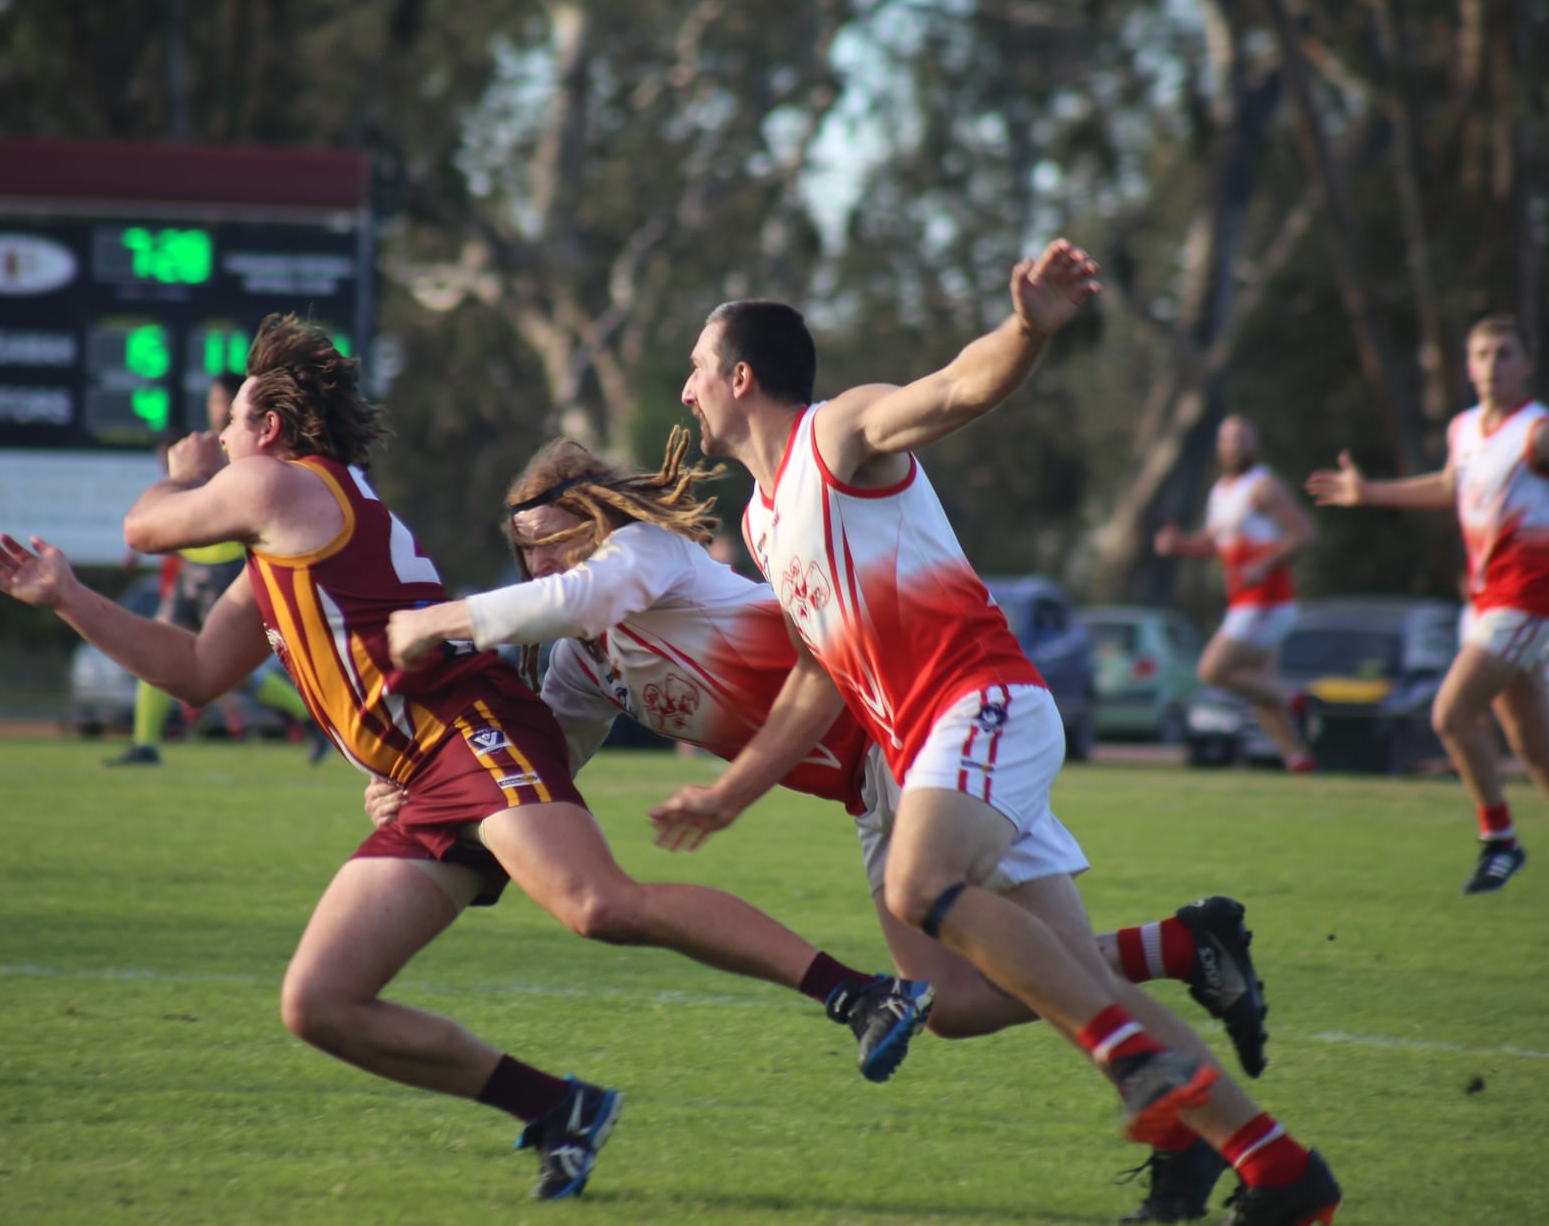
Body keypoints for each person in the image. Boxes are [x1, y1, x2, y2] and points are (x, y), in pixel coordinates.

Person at [0, 314, 930, 1204]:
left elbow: (147, 526)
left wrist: (180, 474)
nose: (215, 441)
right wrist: (66, 596)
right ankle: (555, 1107)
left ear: (266, 428)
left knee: (596, 904)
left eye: (228, 426)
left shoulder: (277, 481)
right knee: (321, 1001)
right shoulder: (281, 541)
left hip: (467, 732)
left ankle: (857, 991)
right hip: (430, 776)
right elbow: (189, 670)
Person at [381, 429, 1278, 1222]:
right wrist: (419, 793)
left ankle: (1207, 1119)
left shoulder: (645, 556)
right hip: (880, 781)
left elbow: (574, 597)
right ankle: (1183, 965)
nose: (542, 566)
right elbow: (543, 773)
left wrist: (441, 619)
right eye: (524, 553)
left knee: (979, 992)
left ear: (596, 519)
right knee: (968, 1003)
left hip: (910, 741)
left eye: (553, 541)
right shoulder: (582, 667)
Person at [673, 242, 1339, 1225]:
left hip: (981, 704)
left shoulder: (838, 432)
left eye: (695, 367)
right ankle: (1276, 1167)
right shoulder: (768, 523)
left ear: (740, 376)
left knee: (917, 882)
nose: (683, 389)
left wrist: (1028, 326)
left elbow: (952, 389)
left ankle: (1139, 1065)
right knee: (976, 996)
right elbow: (819, 676)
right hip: (931, 750)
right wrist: (728, 794)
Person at [1307, 314, 1549, 898]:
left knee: (1450, 715)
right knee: (1534, 743)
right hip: (1487, 603)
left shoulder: (1542, 433)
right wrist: (1371, 492)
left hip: (1526, 604)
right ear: (1467, 366)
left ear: (1527, 363)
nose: (1492, 365)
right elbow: (1447, 487)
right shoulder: (1465, 428)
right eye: (1482, 354)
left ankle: (1500, 842)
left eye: (1505, 353)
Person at [110, 375, 322, 766]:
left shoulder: (247, 454)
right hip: (194, 566)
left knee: (224, 671)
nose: (218, 408)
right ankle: (146, 743)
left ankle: (310, 716)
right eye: (215, 400)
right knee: (164, 645)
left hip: (225, 570)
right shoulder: (212, 445)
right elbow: (176, 511)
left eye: (227, 401)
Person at [1155, 416, 1316, 773]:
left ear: (1254, 444)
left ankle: (1294, 699)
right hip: (1244, 601)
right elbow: (1214, 544)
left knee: (1212, 670)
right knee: (1258, 692)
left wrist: (1264, 565)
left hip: (1267, 602)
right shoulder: (1221, 492)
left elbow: (1303, 533)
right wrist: (1179, 545)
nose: (1235, 447)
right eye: (1228, 440)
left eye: (1242, 439)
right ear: (1219, 446)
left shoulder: (1265, 486)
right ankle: (1300, 761)